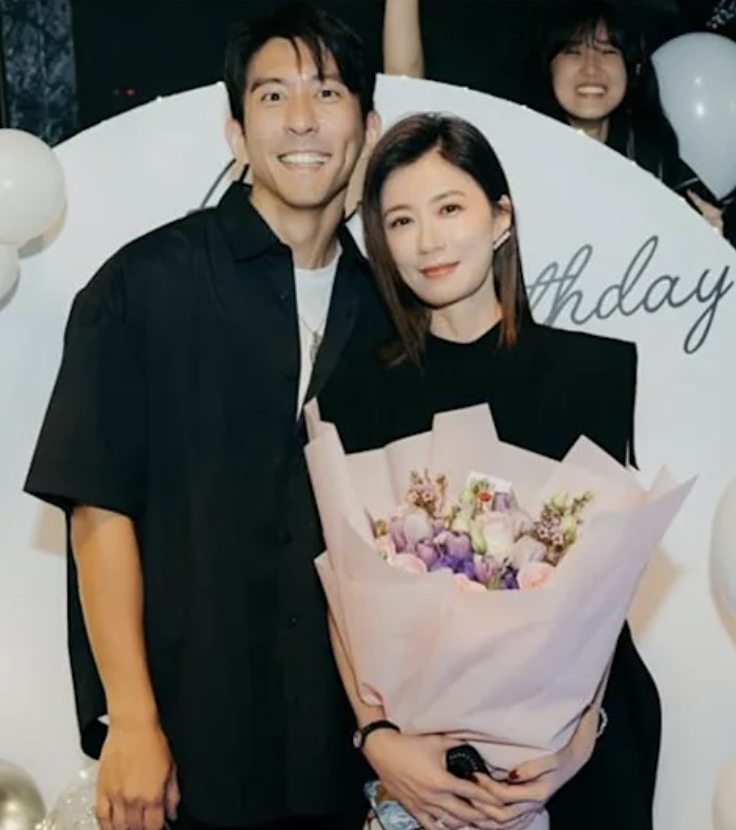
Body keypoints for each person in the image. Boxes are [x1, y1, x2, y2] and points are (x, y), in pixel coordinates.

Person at [24, 4, 390, 830]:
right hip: (186, 754)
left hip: (344, 765)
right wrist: (131, 721)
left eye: (328, 92)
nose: (302, 118)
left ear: (368, 129)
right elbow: (98, 511)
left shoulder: (387, 313)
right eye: (273, 95)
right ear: (235, 132)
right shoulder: (142, 287)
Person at [318, 113, 661, 830]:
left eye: (449, 208)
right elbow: (342, 590)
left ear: (500, 217)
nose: (428, 241)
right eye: (402, 221)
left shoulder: (591, 372)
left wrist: (574, 742)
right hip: (415, 769)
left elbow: (600, 593)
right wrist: (378, 739)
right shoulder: (355, 390)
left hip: (578, 760)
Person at [382, 0, 725, 235]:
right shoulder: (508, 152)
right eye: (572, 51)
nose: (591, 68)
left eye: (608, 51)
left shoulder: (653, 155)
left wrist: (708, 240)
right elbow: (408, 93)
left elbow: (701, 232)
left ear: (631, 68)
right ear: (548, 68)